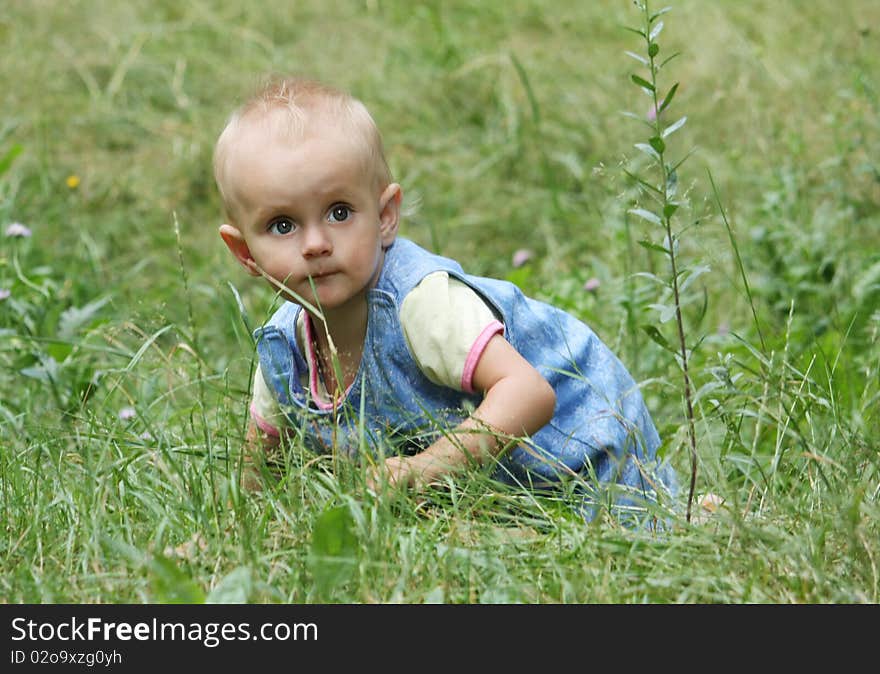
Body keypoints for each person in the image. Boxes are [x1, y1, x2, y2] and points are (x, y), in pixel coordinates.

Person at [213, 76, 678, 524]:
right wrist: (238, 532)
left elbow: (529, 392)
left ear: (385, 216)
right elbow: (258, 470)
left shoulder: (420, 301)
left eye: (339, 213)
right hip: (503, 485)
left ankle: (688, 512)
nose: (315, 243)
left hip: (582, 450)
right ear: (243, 252)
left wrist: (425, 469)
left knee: (637, 531)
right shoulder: (283, 346)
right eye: (282, 225)